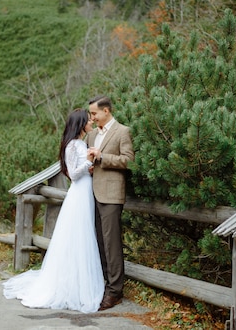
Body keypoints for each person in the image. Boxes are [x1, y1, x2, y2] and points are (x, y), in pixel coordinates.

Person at [2, 109, 104, 313]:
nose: (92, 122)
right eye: (89, 120)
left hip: (83, 192)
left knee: (80, 236)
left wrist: (88, 165)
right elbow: (74, 174)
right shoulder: (74, 144)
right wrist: (90, 161)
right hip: (79, 192)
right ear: (81, 123)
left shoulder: (77, 143)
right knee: (79, 235)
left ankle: (77, 277)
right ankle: (75, 283)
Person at [87, 95, 135, 311]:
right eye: (91, 114)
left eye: (95, 113)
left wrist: (102, 157)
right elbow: (91, 162)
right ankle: (104, 283)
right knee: (99, 242)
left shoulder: (122, 131)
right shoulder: (91, 135)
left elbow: (129, 160)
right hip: (93, 195)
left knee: (112, 244)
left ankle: (115, 291)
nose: (92, 117)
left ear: (106, 111)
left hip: (112, 195)